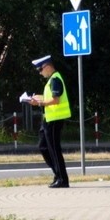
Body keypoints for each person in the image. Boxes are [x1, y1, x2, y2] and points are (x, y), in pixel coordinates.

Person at [29, 55, 71, 188]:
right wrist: (38, 97)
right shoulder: (52, 80)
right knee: (43, 147)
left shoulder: (55, 79)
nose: (40, 73)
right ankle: (58, 174)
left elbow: (56, 100)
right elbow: (51, 97)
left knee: (54, 150)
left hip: (54, 120)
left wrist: (40, 102)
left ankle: (62, 179)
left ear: (47, 66)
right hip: (48, 119)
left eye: (40, 70)